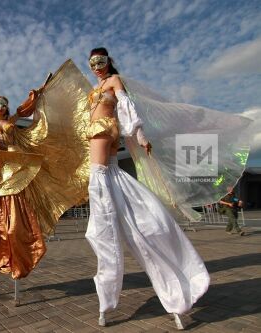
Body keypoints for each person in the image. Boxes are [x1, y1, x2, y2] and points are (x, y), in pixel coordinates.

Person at [82, 47, 209, 329]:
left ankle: (113, 301)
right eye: (92, 63)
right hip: (97, 143)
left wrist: (140, 135)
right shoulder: (96, 86)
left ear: (108, 61)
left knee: (103, 220)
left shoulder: (114, 82)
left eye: (100, 61)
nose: (96, 66)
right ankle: (121, 297)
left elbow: (127, 110)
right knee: (125, 220)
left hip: (104, 135)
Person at [0, 95, 46, 280]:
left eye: (4, 104)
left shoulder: (10, 121)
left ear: (7, 108)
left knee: (16, 206)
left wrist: (37, 94)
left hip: (12, 165)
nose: (1, 106)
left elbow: (23, 110)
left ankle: (21, 249)